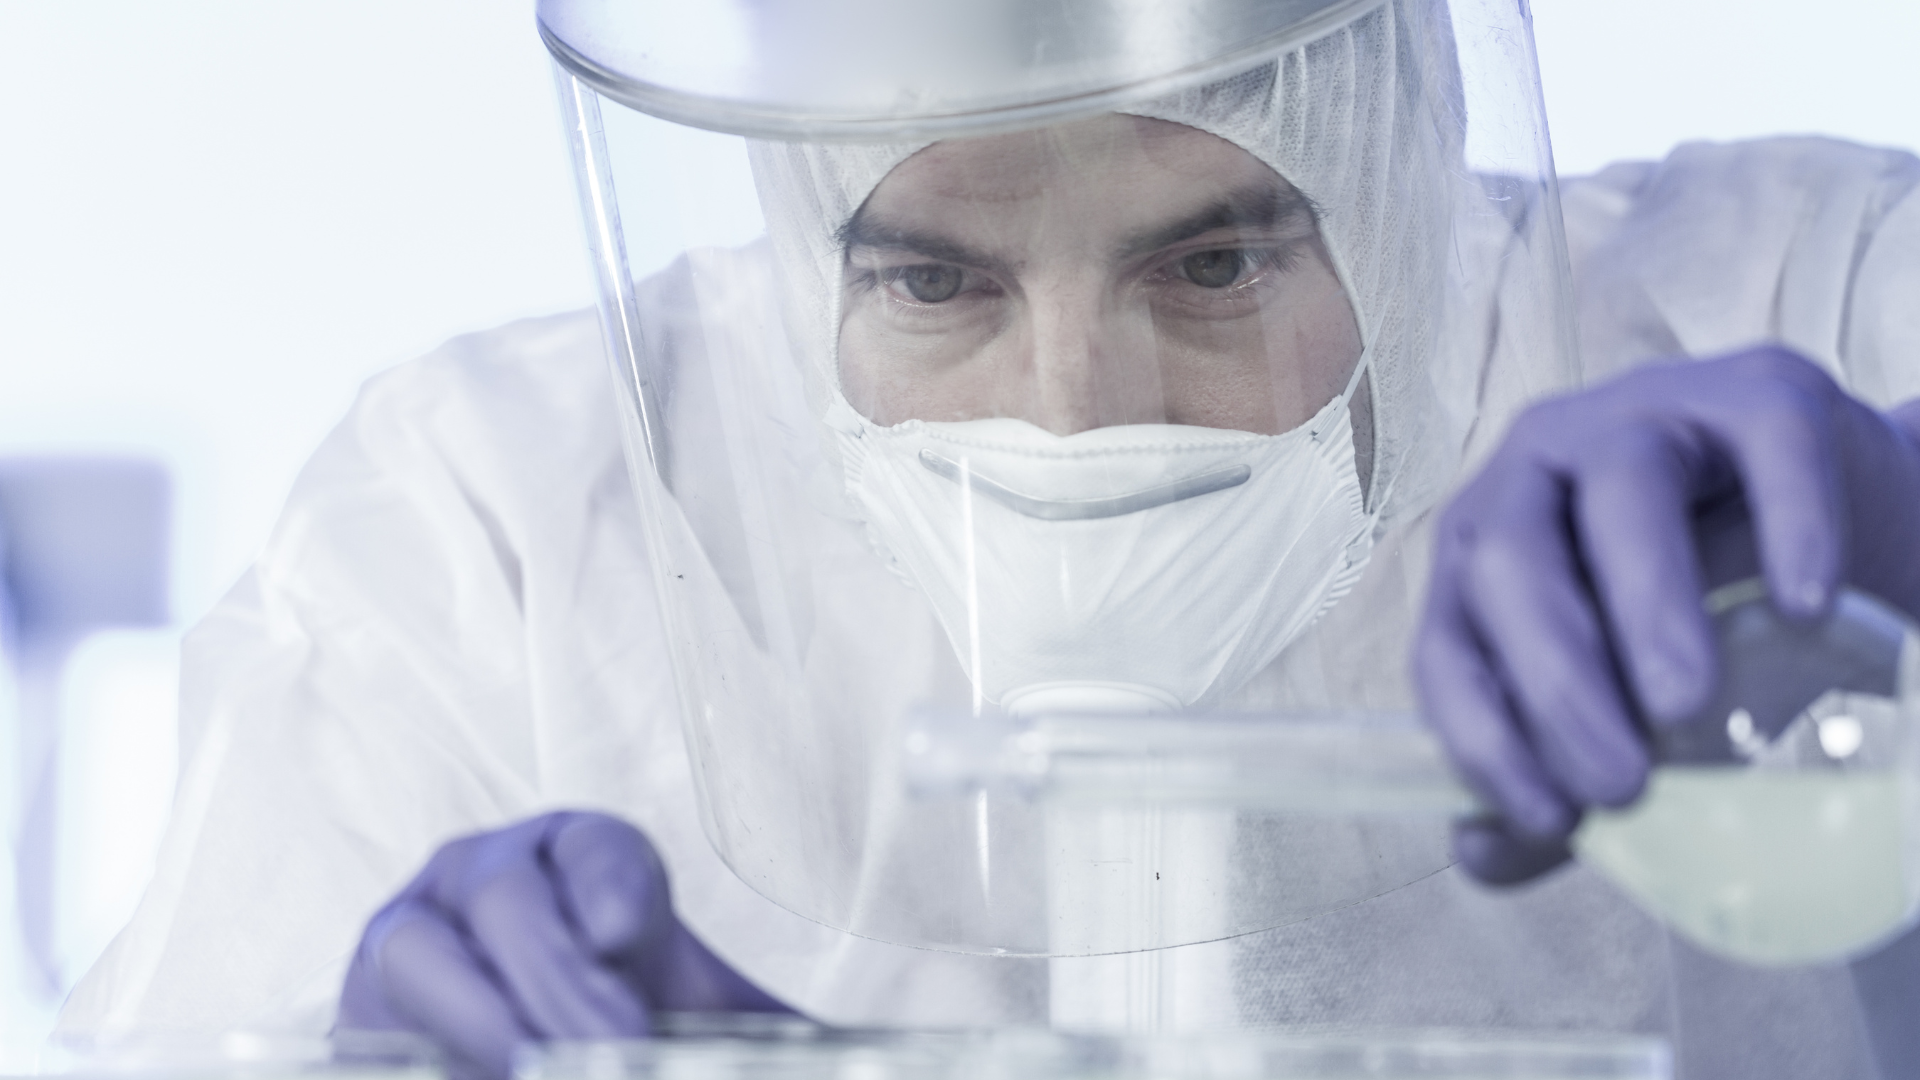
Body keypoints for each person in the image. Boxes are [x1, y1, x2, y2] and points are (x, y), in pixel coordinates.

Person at [53, 2, 1920, 1078]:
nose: (1072, 406)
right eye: (935, 280)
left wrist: (1898, 509)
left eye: (1215, 260)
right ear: (807, 234)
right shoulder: (495, 533)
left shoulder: (1791, 302)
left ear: (1398, 165)